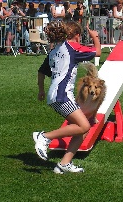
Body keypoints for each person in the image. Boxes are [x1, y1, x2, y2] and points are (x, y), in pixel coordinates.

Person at [34, 20, 101, 173]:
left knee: (81, 129)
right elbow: (97, 52)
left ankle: (64, 164)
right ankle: (44, 137)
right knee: (84, 126)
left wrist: (41, 91)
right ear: (77, 36)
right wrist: (95, 37)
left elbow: (41, 71)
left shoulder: (54, 50)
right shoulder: (72, 46)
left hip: (55, 94)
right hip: (62, 94)